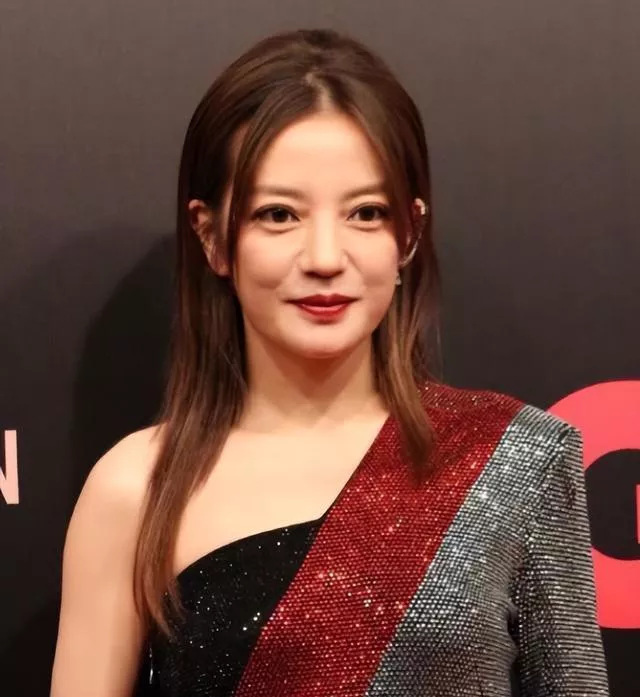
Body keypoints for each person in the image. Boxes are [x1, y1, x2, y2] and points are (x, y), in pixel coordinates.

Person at [50, 28, 610, 697]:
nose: (324, 256)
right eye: (278, 214)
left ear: (409, 234)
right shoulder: (135, 490)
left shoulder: (518, 460)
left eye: (365, 213)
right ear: (213, 237)